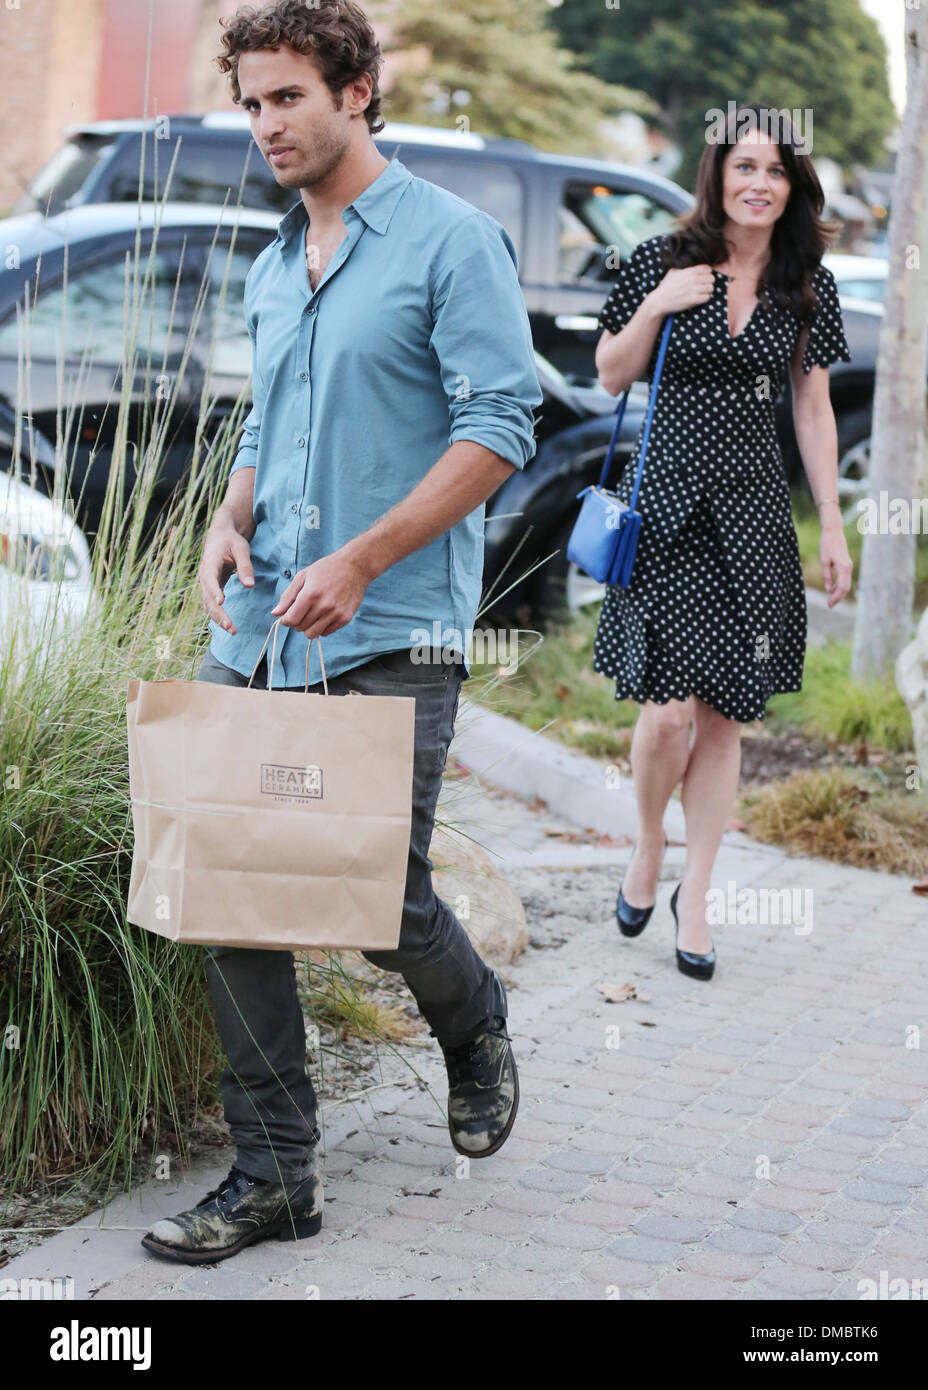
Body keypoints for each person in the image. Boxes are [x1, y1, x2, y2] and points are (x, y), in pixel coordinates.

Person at [141, 0, 541, 1265]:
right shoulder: (273, 264)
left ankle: (472, 1023)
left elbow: (500, 427)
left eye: (287, 99)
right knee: (222, 883)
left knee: (373, 896)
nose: (264, 124)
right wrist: (227, 513)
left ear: (359, 89)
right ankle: (274, 1176)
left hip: (396, 626)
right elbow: (271, 418)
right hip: (263, 627)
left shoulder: (449, 242)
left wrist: (364, 559)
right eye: (251, 102)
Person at [593, 104, 853, 982]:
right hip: (664, 508)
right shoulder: (658, 262)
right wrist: (661, 306)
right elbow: (610, 372)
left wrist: (835, 525)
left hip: (751, 518)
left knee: (726, 715)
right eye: (745, 167)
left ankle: (695, 892)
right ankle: (646, 847)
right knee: (666, 714)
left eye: (776, 171)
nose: (759, 184)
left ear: (792, 187)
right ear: (718, 175)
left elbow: (812, 411)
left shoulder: (806, 281)